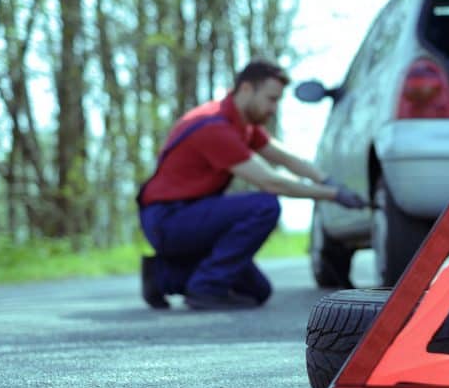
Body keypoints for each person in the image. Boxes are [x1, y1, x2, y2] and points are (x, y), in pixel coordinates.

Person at [137, 59, 365, 310]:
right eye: (271, 99)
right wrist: (331, 194)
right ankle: (206, 288)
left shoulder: (241, 123)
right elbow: (271, 181)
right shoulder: (213, 126)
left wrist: (327, 180)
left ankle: (161, 276)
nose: (273, 108)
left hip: (192, 215)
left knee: (258, 291)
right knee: (264, 205)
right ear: (246, 89)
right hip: (168, 219)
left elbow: (285, 157)